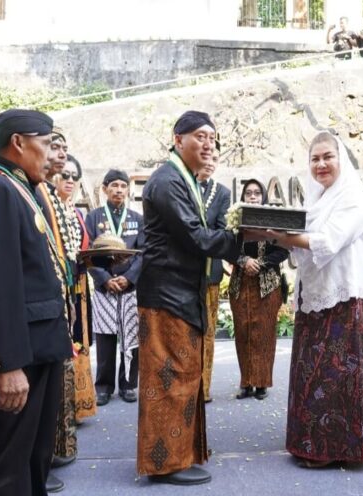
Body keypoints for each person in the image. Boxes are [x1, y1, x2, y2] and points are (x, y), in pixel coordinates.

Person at [0, 109, 73, 495]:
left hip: (38, 350)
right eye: (46, 144)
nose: (52, 156)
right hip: (21, 357)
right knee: (5, 467)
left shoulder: (20, 189)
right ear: (18, 143)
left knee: (32, 460)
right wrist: (8, 364)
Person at [263, 131, 363, 468]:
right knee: (313, 372)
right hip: (315, 295)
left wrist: (281, 235)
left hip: (346, 297)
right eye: (315, 159)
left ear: (340, 158)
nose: (321, 164)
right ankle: (313, 444)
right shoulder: (317, 199)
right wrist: (271, 234)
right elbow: (302, 245)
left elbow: (329, 241)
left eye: (327, 157)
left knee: (338, 375)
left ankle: (340, 450)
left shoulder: (354, 196)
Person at [136, 110, 241, 485]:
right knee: (169, 379)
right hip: (166, 296)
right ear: (177, 139)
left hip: (180, 293)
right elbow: (196, 237)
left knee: (183, 376)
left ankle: (179, 456)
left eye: (212, 137)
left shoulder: (183, 179)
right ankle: (164, 464)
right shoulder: (168, 181)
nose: (208, 143)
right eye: (200, 136)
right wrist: (243, 237)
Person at [36, 128, 77, 489]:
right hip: (40, 309)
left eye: (64, 147)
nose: (61, 153)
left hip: (59, 299)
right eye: (53, 146)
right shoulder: (32, 191)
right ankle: (38, 463)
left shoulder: (51, 193)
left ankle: (51, 452)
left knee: (56, 382)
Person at [85, 170, 144, 406]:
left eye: (123, 186)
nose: (119, 190)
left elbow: (144, 253)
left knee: (131, 336)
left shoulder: (137, 218)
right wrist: (104, 279)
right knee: (105, 338)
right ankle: (103, 387)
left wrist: (129, 278)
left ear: (128, 190)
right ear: (105, 189)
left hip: (129, 288)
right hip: (104, 288)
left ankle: (128, 385)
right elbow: (87, 253)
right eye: (114, 185)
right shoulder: (93, 217)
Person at [230, 179, 289, 401]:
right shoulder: (235, 221)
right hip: (240, 284)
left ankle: (262, 382)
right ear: (243, 197)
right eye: (248, 193)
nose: (253, 197)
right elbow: (226, 247)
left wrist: (260, 264)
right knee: (242, 333)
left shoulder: (273, 219)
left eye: (256, 193)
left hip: (267, 286)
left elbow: (283, 250)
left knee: (264, 334)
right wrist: (243, 260)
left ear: (263, 196)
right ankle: (246, 382)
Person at [52, 154, 97, 424]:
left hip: (79, 287)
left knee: (80, 340)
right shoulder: (49, 209)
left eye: (74, 177)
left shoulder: (77, 213)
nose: (70, 180)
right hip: (59, 288)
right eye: (65, 175)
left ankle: (79, 405)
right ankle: (62, 408)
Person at [199, 146, 231, 403]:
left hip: (210, 272)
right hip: (183, 273)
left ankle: (204, 387)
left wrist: (199, 238)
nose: (210, 162)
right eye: (207, 157)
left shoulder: (221, 193)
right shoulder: (181, 186)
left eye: (216, 159)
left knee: (207, 330)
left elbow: (223, 232)